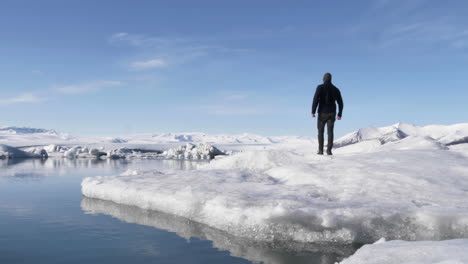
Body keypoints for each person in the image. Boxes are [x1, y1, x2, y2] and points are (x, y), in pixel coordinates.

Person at [311, 73, 344, 155]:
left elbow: (315, 99)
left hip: (322, 113)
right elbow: (340, 102)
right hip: (332, 113)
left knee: (320, 132)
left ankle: (321, 151)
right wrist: (340, 114)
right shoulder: (336, 89)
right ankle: (329, 151)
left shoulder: (320, 87)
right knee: (330, 132)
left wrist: (313, 111)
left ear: (324, 79)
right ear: (331, 79)